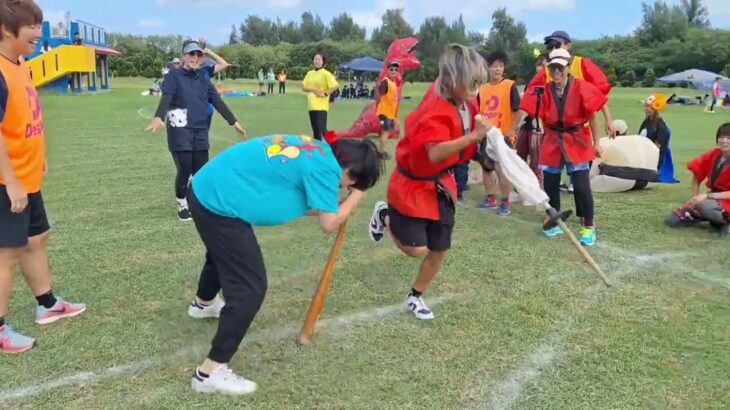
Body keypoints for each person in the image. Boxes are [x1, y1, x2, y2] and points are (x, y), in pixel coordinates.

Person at [186, 135, 383, 395]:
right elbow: (329, 224)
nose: (344, 187)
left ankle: (203, 304)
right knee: (250, 288)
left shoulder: (316, 151)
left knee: (222, 252)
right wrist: (357, 196)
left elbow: (310, 204)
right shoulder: (327, 169)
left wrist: (337, 206)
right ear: (352, 175)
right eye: (352, 184)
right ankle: (209, 373)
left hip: (206, 188)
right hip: (217, 202)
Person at [367, 44, 492, 320]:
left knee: (439, 248)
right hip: (413, 184)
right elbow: (435, 152)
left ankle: (415, 296)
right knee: (416, 249)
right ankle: (384, 214)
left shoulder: (465, 99)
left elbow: (472, 126)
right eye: (471, 83)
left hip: (441, 185)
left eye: (478, 84)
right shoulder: (434, 108)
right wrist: (473, 138)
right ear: (451, 80)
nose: (476, 90)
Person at [0, 0, 86, 354]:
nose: (39, 32)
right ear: (6, 29)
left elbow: (24, 119)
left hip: (28, 173)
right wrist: (13, 180)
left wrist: (40, 157)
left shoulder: (21, 64)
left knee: (38, 237)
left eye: (40, 24)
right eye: (32, 25)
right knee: (5, 254)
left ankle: (47, 303)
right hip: (7, 182)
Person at [145, 40, 247, 221]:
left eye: (198, 54)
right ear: (184, 55)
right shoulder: (173, 76)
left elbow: (217, 101)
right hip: (180, 129)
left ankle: (199, 202)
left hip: (200, 129)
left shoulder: (203, 78)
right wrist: (159, 117)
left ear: (201, 58)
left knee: (201, 170)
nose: (195, 57)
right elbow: (166, 99)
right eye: (191, 54)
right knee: (184, 167)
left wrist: (234, 122)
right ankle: (182, 203)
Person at [520, 48, 608, 246]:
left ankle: (589, 226)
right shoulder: (544, 90)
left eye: (560, 67)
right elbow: (528, 110)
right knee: (550, 182)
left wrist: (597, 143)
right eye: (553, 68)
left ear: (568, 67)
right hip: (552, 139)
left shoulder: (582, 87)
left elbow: (593, 115)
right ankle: (554, 219)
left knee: (581, 185)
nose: (557, 72)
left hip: (577, 139)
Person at [475, 50, 522, 215]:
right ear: (488, 68)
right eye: (494, 66)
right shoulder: (482, 89)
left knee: (501, 169)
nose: (497, 69)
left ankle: (505, 201)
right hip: (486, 135)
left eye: (501, 66)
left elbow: (518, 111)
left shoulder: (509, 85)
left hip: (503, 136)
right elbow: (478, 112)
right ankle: (490, 197)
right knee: (486, 168)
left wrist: (511, 131)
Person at [665, 123, 730, 237]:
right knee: (672, 220)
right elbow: (697, 173)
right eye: (722, 137)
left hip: (725, 201)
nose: (724, 141)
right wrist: (695, 197)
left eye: (729, 138)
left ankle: (725, 222)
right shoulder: (714, 154)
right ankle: (710, 217)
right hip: (713, 201)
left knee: (704, 206)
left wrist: (706, 196)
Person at [515, 53, 548, 187]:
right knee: (518, 158)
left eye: (544, 64)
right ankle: (522, 187)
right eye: (539, 64)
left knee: (536, 163)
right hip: (527, 124)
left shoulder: (550, 84)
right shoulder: (532, 82)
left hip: (539, 127)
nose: (540, 68)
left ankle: (538, 190)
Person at [302, 53, 338, 141]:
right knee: (316, 131)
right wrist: (312, 89)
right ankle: (318, 150)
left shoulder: (326, 74)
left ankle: (335, 144)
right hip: (311, 106)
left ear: (323, 62)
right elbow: (304, 87)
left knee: (322, 129)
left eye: (319, 59)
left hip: (321, 106)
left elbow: (335, 86)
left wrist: (325, 93)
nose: (316, 61)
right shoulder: (310, 73)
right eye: (315, 59)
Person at [638, 93, 671, 170]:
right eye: (646, 106)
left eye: (649, 107)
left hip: (653, 160)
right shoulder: (646, 122)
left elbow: (658, 146)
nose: (646, 109)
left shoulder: (660, 125)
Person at [376, 61, 400, 159]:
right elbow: (380, 92)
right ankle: (381, 153)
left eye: (395, 70)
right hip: (384, 112)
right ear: (387, 70)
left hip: (390, 113)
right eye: (391, 69)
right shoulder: (385, 82)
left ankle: (382, 151)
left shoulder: (393, 82)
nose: (394, 71)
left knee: (387, 133)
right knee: (385, 132)